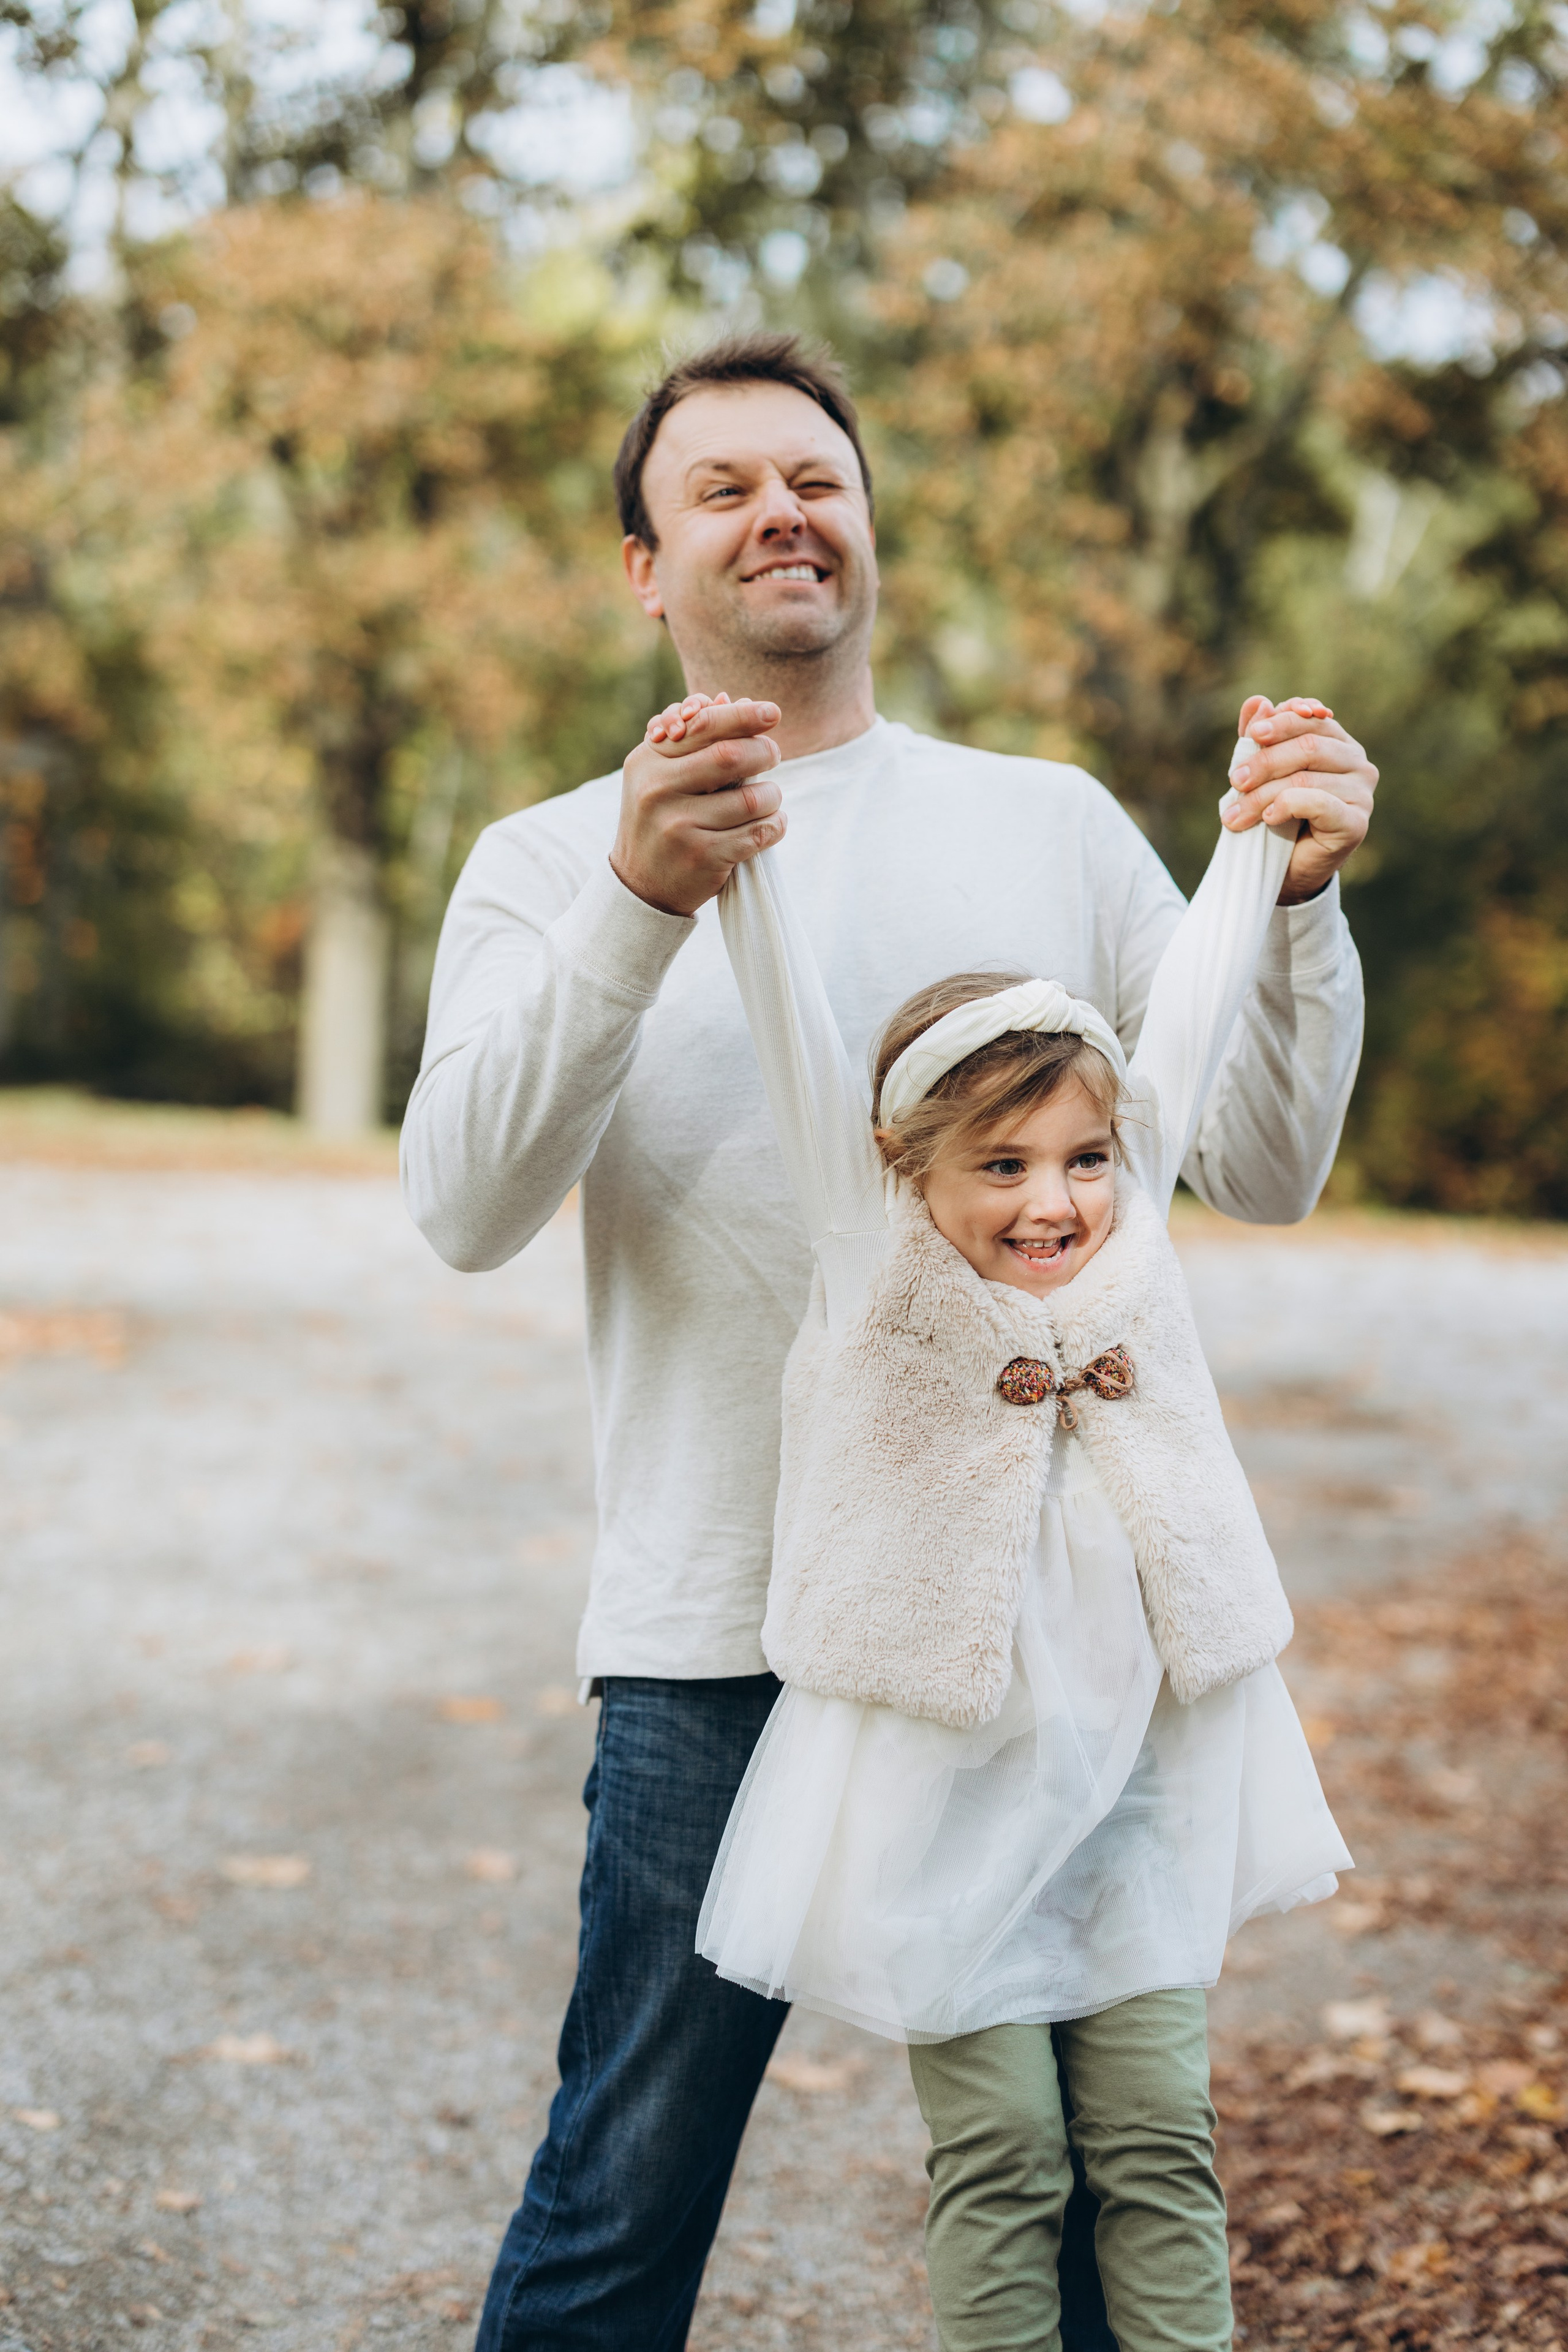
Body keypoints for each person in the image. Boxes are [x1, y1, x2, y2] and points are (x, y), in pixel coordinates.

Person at [399, 330, 1377, 2352]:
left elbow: (1260, 1160)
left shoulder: (1047, 821)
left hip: (1041, 1631)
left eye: (816, 479)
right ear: (643, 568)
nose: (782, 513)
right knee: (625, 2184)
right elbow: (466, 1206)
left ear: (868, 524)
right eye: (723, 488)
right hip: (718, 1624)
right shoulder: (540, 861)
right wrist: (631, 909)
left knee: (1096, 2172)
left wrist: (1290, 905)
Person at [687, 692, 1352, 2348]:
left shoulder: (1130, 1247)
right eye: (1001, 1165)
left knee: (1155, 2144)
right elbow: (787, 1023)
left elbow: (1186, 1028)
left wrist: (1254, 837)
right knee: (1004, 2155)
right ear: (910, 1172)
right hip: (942, 1807)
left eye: (1080, 1158)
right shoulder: (876, 1258)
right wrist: (744, 845)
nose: (1052, 1200)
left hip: (1136, 1792)